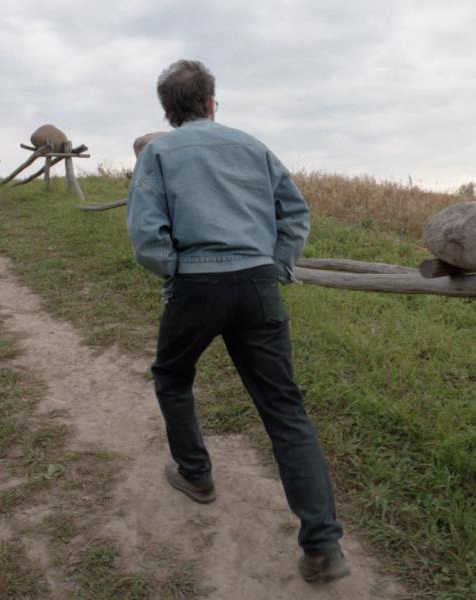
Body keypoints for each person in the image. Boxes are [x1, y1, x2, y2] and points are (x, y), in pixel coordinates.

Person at [125, 59, 350, 584]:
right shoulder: (253, 147)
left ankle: (196, 474)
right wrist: (275, 265)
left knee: (172, 375)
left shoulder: (158, 154)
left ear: (169, 111)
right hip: (257, 286)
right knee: (284, 409)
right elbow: (295, 214)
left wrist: (175, 271)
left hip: (195, 287)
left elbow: (146, 235)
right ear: (211, 102)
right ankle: (323, 546)